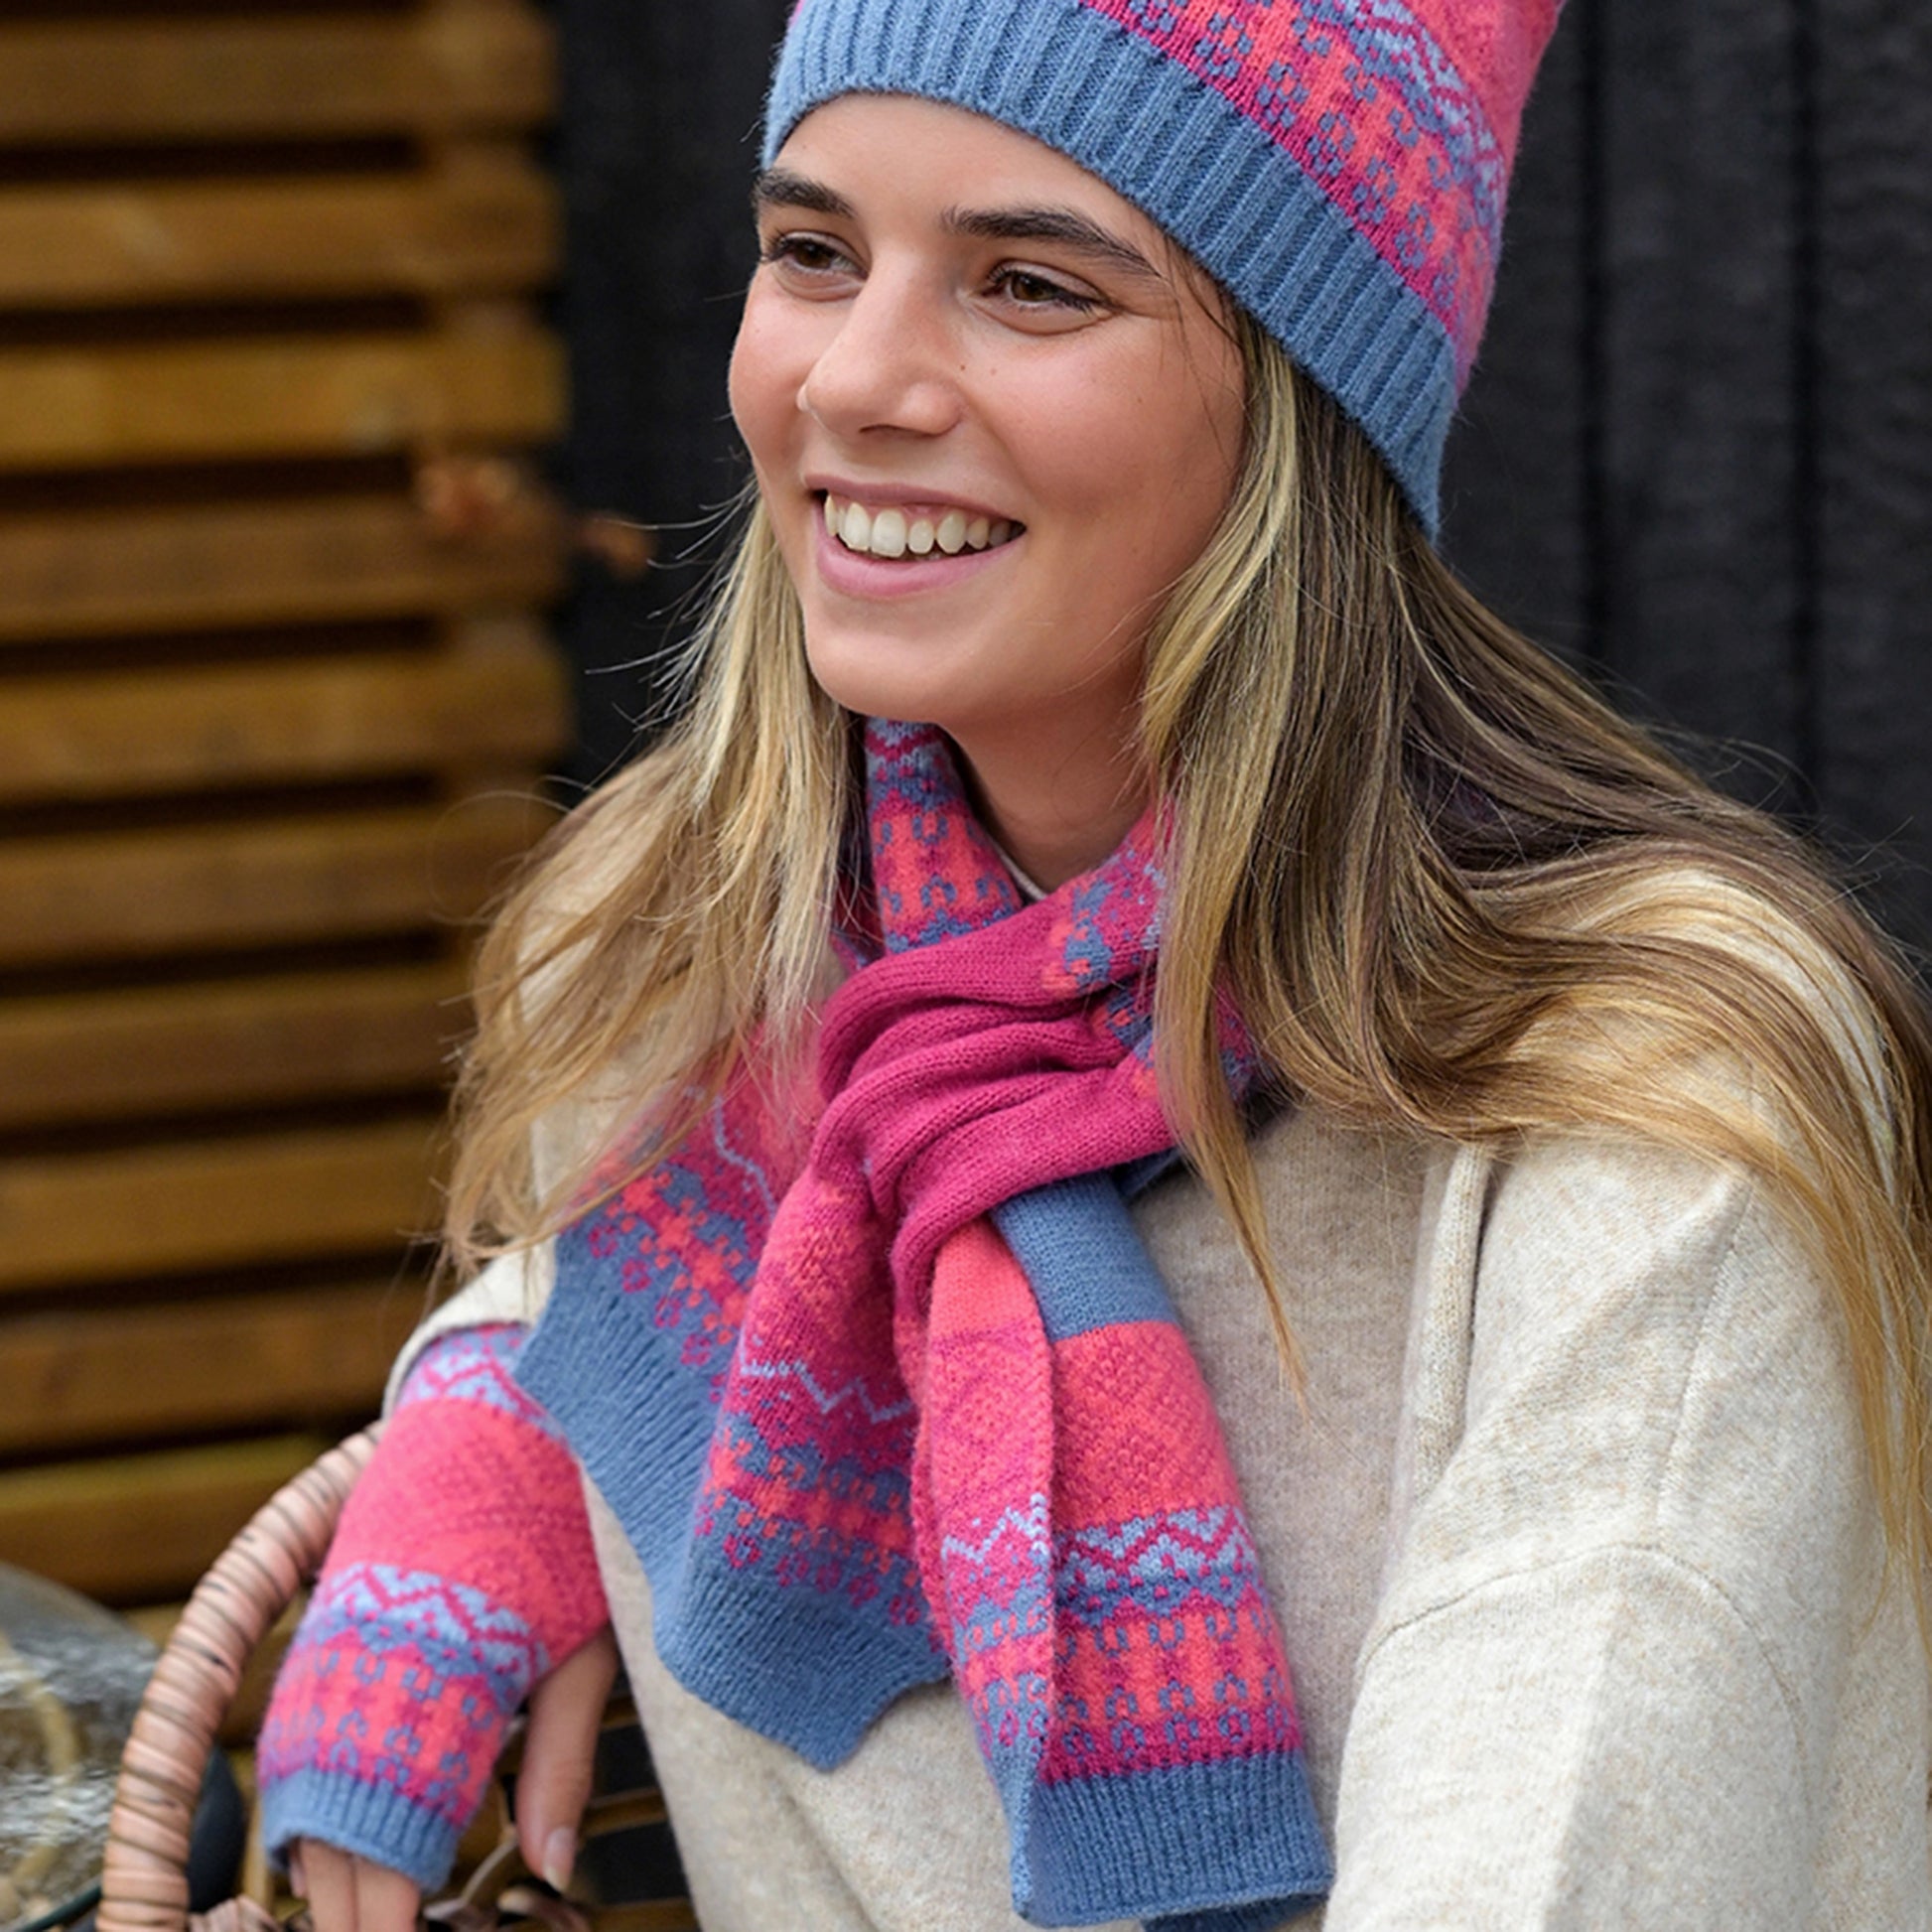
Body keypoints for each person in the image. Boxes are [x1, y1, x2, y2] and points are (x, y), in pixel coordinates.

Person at [258, 0, 1932, 1925]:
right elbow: (607, 1276)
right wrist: (512, 1418)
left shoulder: (1638, 1130)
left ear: (1302, 399)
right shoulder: (675, 968)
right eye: (811, 251)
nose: (855, 381)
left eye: (1033, 284)